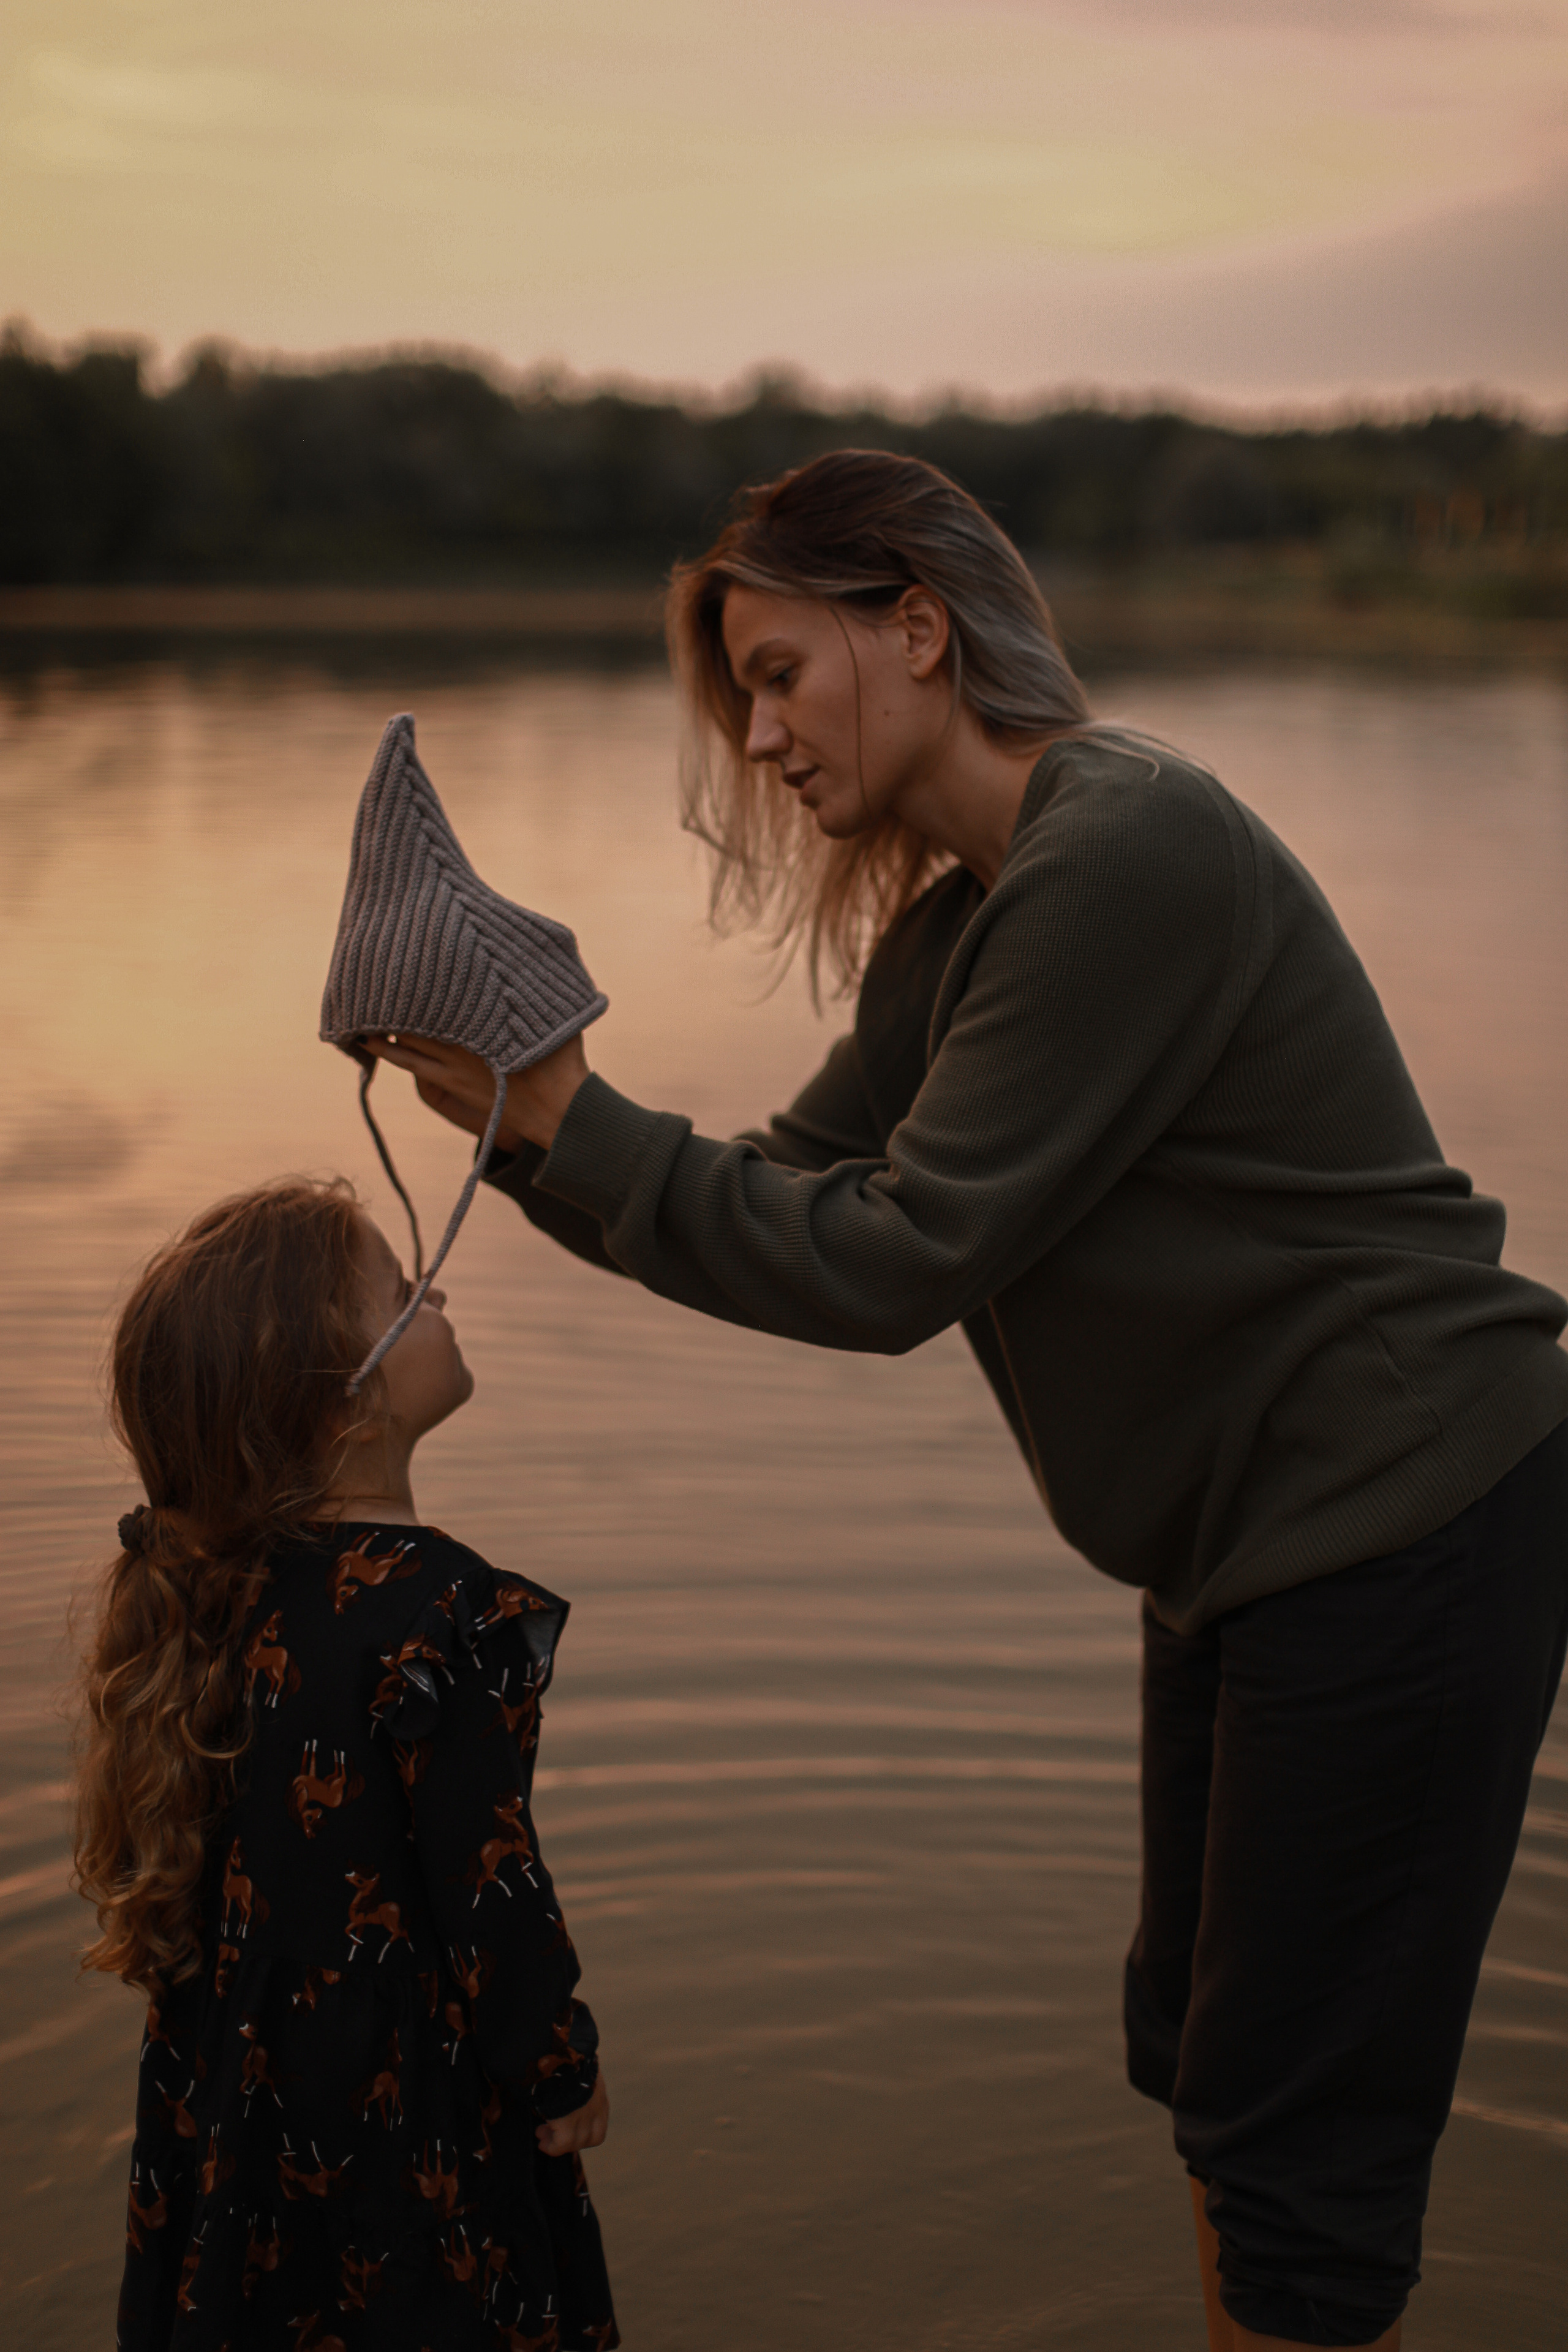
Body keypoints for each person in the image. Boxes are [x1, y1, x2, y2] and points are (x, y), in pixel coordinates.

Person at [369, 449, 1568, 2351]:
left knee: (1298, 2138)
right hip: (1256, 1551)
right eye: (740, 692)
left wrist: (578, 1127)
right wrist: (527, 1131)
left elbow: (887, 1263)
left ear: (916, 627)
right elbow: (776, 1193)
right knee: (1203, 2059)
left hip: (1404, 1513)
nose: (756, 735)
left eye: (776, 673)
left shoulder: (1128, 851)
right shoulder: (963, 930)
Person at [75, 1177, 617, 2352]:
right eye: (403, 1289)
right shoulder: (440, 1611)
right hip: (403, 2117)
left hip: (240, 2095)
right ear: (342, 1404)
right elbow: (491, 1882)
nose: (437, 1292)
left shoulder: (221, 1592)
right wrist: (556, 2066)